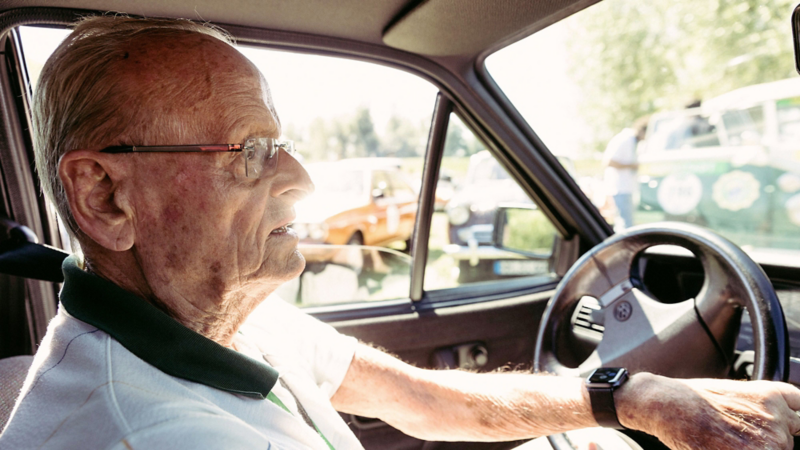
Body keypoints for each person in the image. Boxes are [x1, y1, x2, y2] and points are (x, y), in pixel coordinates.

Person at [1, 16, 799, 450]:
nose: (302, 179)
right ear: (105, 196)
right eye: (248, 153)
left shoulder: (226, 319)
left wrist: (629, 396)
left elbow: (421, 398)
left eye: (278, 143)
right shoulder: (156, 434)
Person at [602, 118, 647, 230]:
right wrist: (631, 166)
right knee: (625, 224)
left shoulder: (633, 141)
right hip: (620, 188)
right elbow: (609, 162)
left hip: (627, 188)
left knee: (627, 222)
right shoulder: (625, 140)